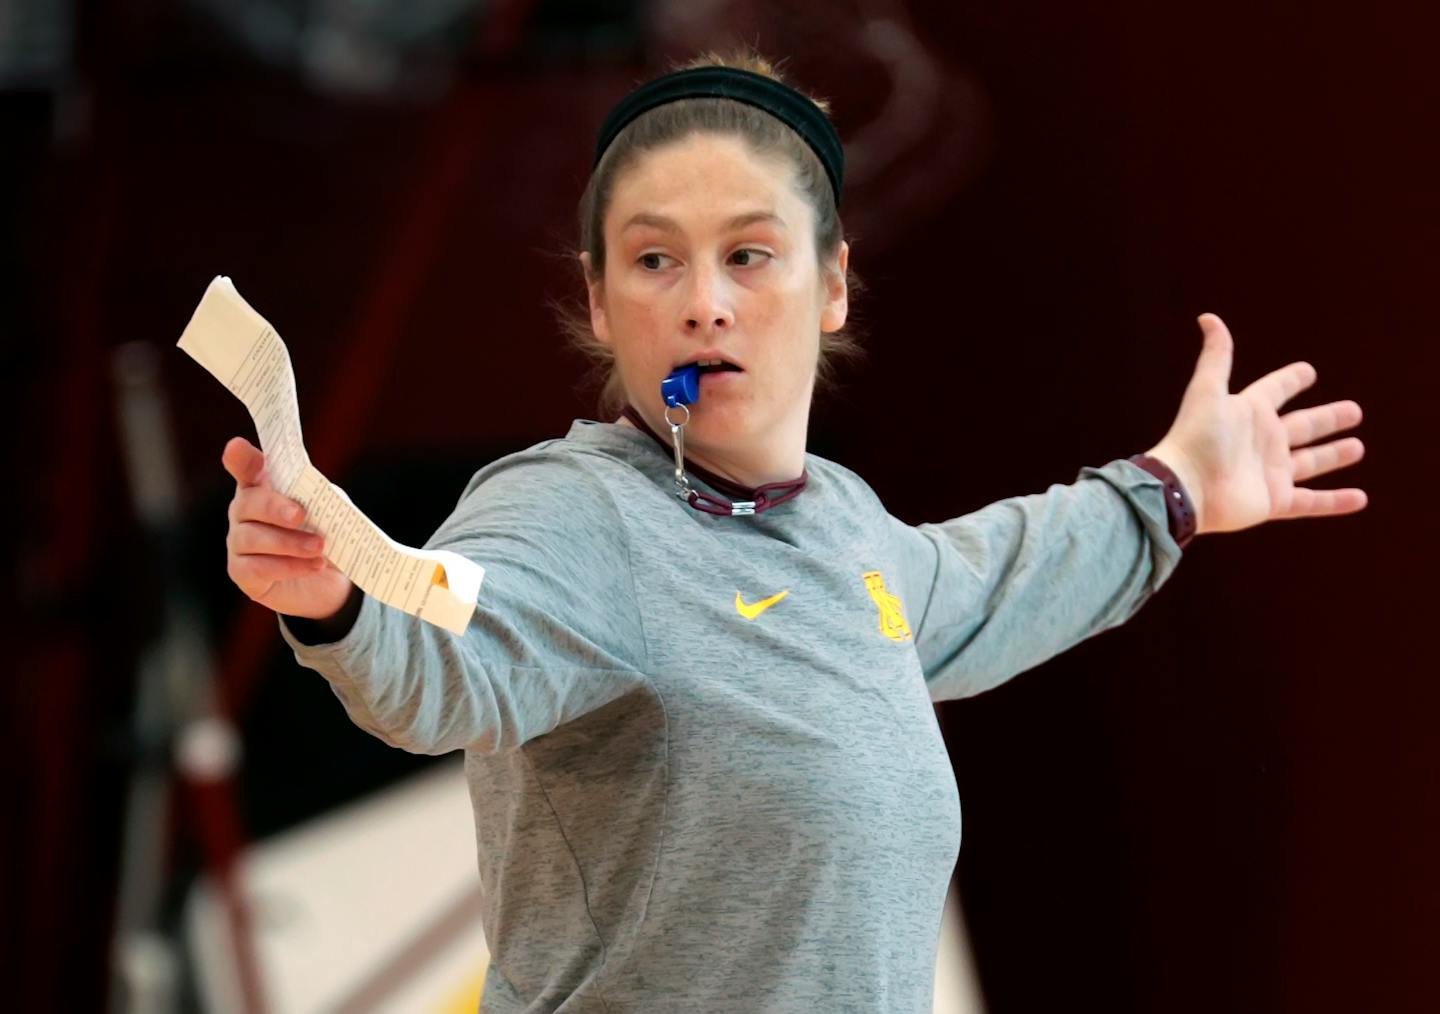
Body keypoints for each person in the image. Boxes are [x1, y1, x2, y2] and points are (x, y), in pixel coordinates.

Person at [219, 52, 1367, 1013]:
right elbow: (449, 648)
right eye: (655, 258)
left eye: (750, 255)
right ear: (603, 299)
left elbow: (991, 576)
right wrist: (340, 600)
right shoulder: (574, 511)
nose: (704, 301)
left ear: (833, 288)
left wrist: (1169, 493)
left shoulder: (848, 532)